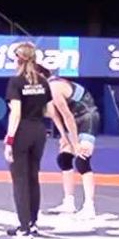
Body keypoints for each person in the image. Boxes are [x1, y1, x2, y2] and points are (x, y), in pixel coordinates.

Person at [3, 43, 54, 238]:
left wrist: (9, 140)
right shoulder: (43, 81)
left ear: (18, 59)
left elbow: (15, 113)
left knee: (20, 180)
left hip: (22, 131)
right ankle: (33, 223)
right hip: (39, 131)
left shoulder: (16, 82)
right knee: (33, 177)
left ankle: (23, 226)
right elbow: (49, 112)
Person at [46, 75, 99, 218]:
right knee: (64, 158)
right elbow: (55, 115)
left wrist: (75, 144)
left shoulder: (53, 87)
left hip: (88, 117)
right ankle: (69, 202)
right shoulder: (43, 90)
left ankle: (89, 206)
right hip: (74, 121)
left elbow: (67, 116)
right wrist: (64, 136)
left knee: (82, 159)